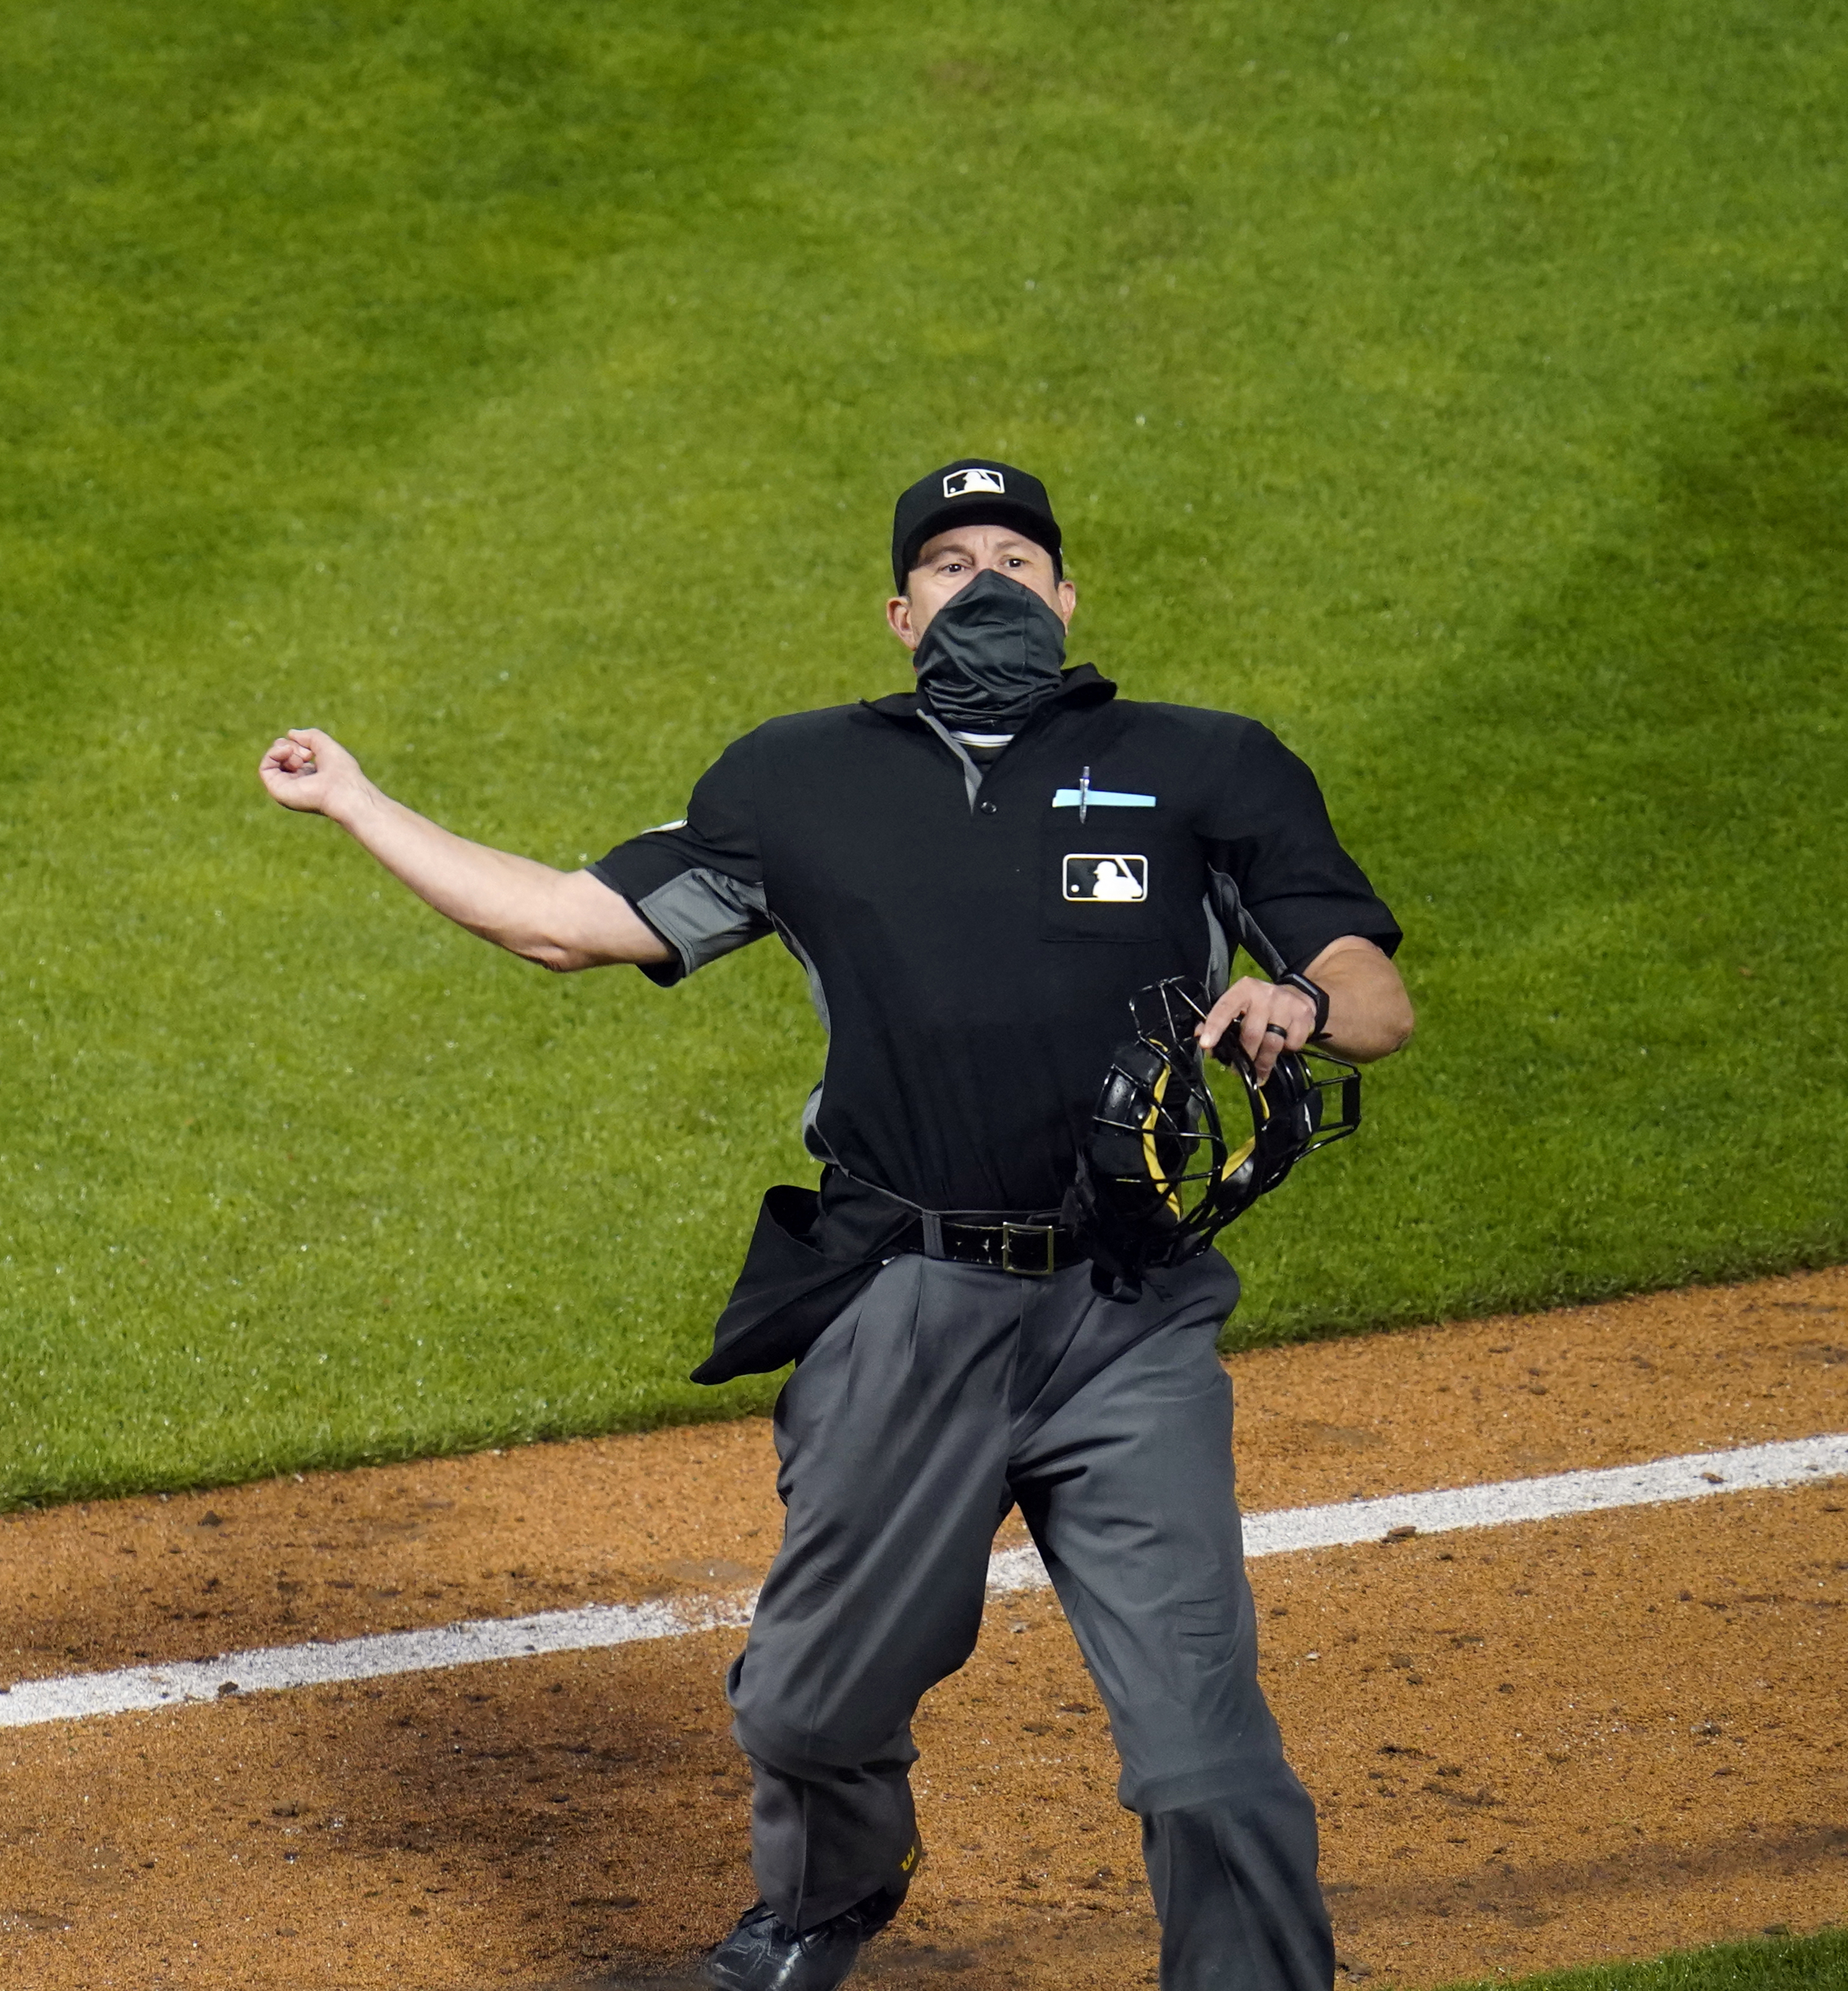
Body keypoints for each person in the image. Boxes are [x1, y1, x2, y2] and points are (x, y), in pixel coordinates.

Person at [257, 458, 1412, 1991]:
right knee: (807, 1711)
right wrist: (354, 798)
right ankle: (826, 1903)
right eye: (949, 563)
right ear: (898, 611)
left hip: (1127, 1314)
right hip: (902, 1302)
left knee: (1203, 1749)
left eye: (1015, 556)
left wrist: (1303, 996)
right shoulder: (795, 782)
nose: (986, 580)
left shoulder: (1204, 765)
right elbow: (561, 922)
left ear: (1067, 597)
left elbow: (1375, 993)